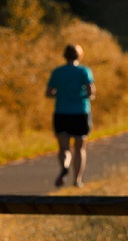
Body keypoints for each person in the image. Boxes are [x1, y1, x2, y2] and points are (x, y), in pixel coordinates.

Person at [46, 44, 95, 187]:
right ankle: (77, 180)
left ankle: (65, 168)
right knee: (80, 148)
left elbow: (49, 92)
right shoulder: (84, 71)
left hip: (61, 113)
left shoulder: (57, 72)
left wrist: (62, 94)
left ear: (65, 56)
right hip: (80, 112)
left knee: (64, 148)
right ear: (79, 55)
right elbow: (90, 91)